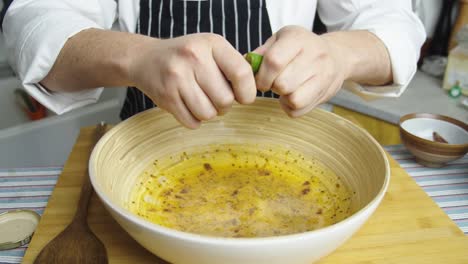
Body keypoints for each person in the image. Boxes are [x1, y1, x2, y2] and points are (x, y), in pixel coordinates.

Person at [3, 0, 425, 129]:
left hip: (292, 150)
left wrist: (339, 54)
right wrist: (138, 57)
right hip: (144, 149)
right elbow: (37, 24)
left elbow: (395, 27)